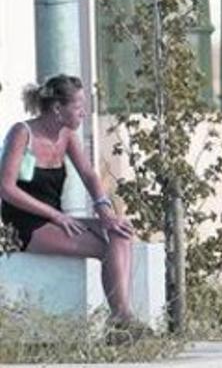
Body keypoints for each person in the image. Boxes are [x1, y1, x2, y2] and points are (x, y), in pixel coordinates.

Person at [0, 75, 142, 335]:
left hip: (57, 220)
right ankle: (122, 320)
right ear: (57, 109)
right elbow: (6, 189)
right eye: (79, 107)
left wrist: (106, 212)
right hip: (25, 224)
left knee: (120, 232)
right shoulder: (22, 133)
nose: (84, 113)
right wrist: (56, 215)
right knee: (102, 248)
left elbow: (89, 174)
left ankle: (123, 318)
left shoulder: (66, 135)